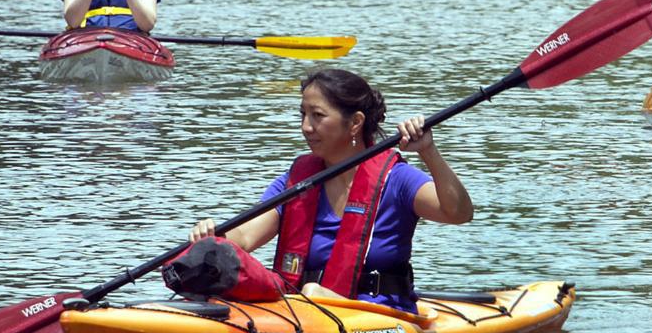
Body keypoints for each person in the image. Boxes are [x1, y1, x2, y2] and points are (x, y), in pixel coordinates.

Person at [165, 68, 474, 314]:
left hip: (379, 315)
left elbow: (458, 213)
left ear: (355, 123)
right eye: (303, 114)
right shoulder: (297, 180)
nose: (306, 126)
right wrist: (213, 238)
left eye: (317, 116)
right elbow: (245, 238)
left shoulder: (396, 179)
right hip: (302, 307)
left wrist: (428, 151)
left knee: (313, 294)